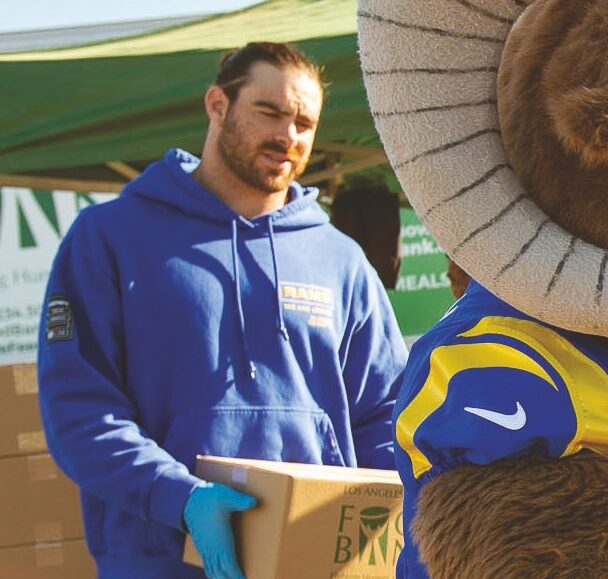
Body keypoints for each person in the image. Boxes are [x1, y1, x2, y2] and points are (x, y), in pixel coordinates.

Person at [35, 42, 407, 579]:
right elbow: (79, 413)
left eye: (305, 121)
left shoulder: (340, 259)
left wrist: (390, 516)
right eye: (270, 112)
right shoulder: (110, 239)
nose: (289, 135)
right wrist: (179, 499)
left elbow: (384, 413)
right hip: (162, 560)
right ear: (217, 105)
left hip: (316, 559)